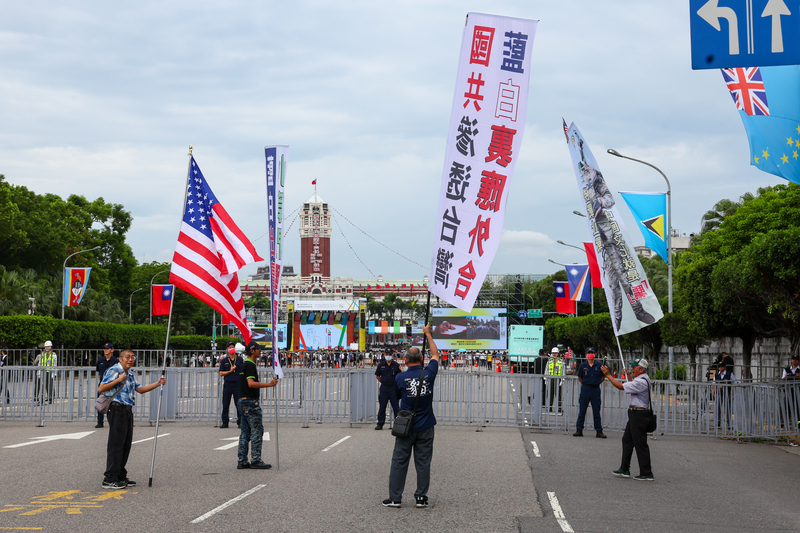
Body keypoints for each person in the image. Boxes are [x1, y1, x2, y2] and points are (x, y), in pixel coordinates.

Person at [577, 138, 655, 332]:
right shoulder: (586, 188)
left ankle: (638, 310)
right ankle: (617, 318)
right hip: (602, 247)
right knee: (612, 287)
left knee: (626, 280)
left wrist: (599, 202)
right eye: (583, 171)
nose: (585, 174)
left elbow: (610, 199)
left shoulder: (597, 185)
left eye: (586, 170)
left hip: (611, 242)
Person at [383, 324, 439, 509]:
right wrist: (428, 335)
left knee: (399, 461)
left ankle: (395, 498)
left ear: (405, 361)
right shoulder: (429, 373)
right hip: (426, 425)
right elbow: (436, 356)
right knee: (423, 463)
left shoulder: (400, 378)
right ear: (422, 359)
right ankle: (421, 497)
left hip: (406, 426)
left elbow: (397, 397)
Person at [98, 349, 166, 489]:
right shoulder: (114, 370)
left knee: (126, 444)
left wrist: (158, 383)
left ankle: (120, 475)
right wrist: (118, 379)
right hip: (116, 409)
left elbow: (140, 389)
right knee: (116, 445)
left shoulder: (130, 373)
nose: (130, 359)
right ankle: (110, 477)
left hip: (127, 410)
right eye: (127, 357)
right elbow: (101, 388)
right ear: (120, 359)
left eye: (132, 357)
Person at [601, 357, 654, 481]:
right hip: (635, 414)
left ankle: (646, 472)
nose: (632, 369)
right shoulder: (642, 379)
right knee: (627, 440)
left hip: (639, 415)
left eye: (634, 367)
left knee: (640, 444)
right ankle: (624, 468)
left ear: (641, 369)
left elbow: (621, 387)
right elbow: (632, 386)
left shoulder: (640, 381)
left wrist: (608, 375)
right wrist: (629, 375)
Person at [237, 341, 279, 470]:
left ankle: (242, 460)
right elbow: (251, 383)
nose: (260, 351)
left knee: (245, 432)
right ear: (252, 351)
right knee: (256, 431)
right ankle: (255, 459)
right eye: (258, 349)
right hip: (250, 402)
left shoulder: (244, 364)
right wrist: (269, 384)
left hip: (242, 401)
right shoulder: (250, 365)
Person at [574, 349, 606, 438]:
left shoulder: (599, 365)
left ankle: (599, 431)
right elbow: (580, 377)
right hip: (585, 389)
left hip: (595, 389)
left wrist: (595, 383)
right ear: (586, 354)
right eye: (589, 353)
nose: (590, 354)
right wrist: (587, 383)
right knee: (582, 410)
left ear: (595, 354)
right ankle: (579, 430)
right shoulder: (583, 365)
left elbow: (602, 378)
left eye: (592, 353)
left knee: (596, 410)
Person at [219, 341, 244, 429]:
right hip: (228, 384)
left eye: (233, 347)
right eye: (229, 347)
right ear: (227, 349)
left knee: (239, 404)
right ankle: (225, 422)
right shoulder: (224, 361)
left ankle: (240, 421)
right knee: (225, 404)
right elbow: (221, 373)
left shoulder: (240, 359)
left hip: (238, 384)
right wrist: (230, 371)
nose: (231, 349)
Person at [375, 352, 401, 430]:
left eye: (390, 354)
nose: (388, 356)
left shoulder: (396, 365)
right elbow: (378, 375)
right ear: (384, 355)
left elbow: (399, 376)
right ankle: (380, 423)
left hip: (393, 387)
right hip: (384, 387)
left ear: (392, 355)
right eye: (387, 354)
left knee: (396, 407)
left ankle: (398, 424)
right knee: (382, 406)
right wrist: (383, 381)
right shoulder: (381, 365)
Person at [95, 342, 119, 428]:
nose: (105, 350)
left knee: (113, 405)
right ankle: (100, 422)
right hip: (103, 385)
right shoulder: (100, 360)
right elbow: (99, 372)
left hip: (112, 385)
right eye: (104, 348)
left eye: (107, 348)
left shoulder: (116, 361)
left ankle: (113, 422)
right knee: (100, 402)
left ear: (112, 350)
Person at [714, 359, 737, 429]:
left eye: (722, 366)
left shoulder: (729, 374)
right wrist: (713, 391)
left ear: (725, 367)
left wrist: (730, 383)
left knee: (727, 409)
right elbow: (714, 383)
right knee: (718, 409)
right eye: (719, 367)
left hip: (726, 394)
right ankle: (718, 423)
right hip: (719, 393)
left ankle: (729, 424)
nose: (720, 368)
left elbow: (736, 382)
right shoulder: (716, 375)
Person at [781, 355, 800, 427]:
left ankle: (799, 423)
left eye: (796, 360)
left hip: (798, 391)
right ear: (791, 360)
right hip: (789, 391)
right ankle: (784, 423)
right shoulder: (787, 369)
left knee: (798, 408)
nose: (794, 361)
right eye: (793, 359)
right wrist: (786, 376)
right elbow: (782, 379)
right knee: (787, 407)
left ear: (798, 361)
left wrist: (798, 376)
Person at [546, 347, 564, 411]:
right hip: (551, 378)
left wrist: (562, 379)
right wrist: (545, 378)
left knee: (558, 394)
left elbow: (563, 370)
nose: (554, 354)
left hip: (558, 378)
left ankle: (559, 407)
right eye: (553, 353)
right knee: (550, 394)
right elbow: (547, 369)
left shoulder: (560, 361)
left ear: (557, 353)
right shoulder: (549, 361)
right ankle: (550, 407)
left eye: (555, 353)